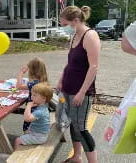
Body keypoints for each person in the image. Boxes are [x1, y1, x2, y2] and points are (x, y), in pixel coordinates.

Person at [57, 6, 100, 163]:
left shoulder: (90, 36)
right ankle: (77, 156)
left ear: (75, 21)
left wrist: (82, 92)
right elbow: (69, 63)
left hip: (81, 91)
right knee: (74, 125)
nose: (64, 28)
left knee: (81, 128)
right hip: (68, 88)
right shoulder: (74, 35)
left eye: (64, 24)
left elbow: (94, 67)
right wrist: (61, 79)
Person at [14, 82, 53, 150]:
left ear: (43, 98)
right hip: (39, 133)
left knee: (17, 140)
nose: (31, 97)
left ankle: (15, 158)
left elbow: (27, 118)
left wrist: (28, 106)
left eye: (34, 95)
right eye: (32, 94)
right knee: (25, 133)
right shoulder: (43, 106)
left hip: (39, 137)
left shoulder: (40, 111)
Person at [16, 57, 48, 133]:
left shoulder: (33, 83)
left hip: (32, 109)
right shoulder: (43, 80)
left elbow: (19, 86)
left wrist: (21, 73)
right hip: (41, 109)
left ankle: (26, 140)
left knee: (27, 128)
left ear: (32, 71)